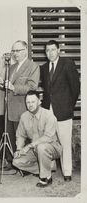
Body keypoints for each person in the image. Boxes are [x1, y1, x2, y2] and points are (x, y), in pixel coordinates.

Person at [40, 40, 80, 182]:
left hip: (64, 111)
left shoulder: (67, 64)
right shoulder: (43, 68)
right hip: (48, 111)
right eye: (47, 50)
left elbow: (75, 88)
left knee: (65, 143)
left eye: (52, 50)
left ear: (58, 50)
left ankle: (67, 172)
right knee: (48, 142)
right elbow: (46, 91)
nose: (50, 53)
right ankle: (49, 171)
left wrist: (69, 106)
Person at [0, 40, 40, 170]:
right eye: (13, 51)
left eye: (18, 51)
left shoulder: (33, 66)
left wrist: (13, 87)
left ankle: (25, 165)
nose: (15, 54)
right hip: (9, 109)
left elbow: (32, 87)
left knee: (23, 137)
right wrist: (2, 84)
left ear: (25, 50)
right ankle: (11, 161)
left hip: (23, 108)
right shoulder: (11, 67)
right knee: (10, 135)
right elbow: (6, 86)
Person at [12, 90, 62, 187]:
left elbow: (48, 137)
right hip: (34, 150)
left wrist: (29, 146)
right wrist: (19, 149)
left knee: (41, 147)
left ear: (39, 101)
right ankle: (47, 167)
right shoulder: (24, 116)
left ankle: (46, 177)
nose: (30, 105)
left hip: (52, 148)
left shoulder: (48, 115)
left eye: (33, 102)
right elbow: (20, 135)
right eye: (28, 102)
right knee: (16, 161)